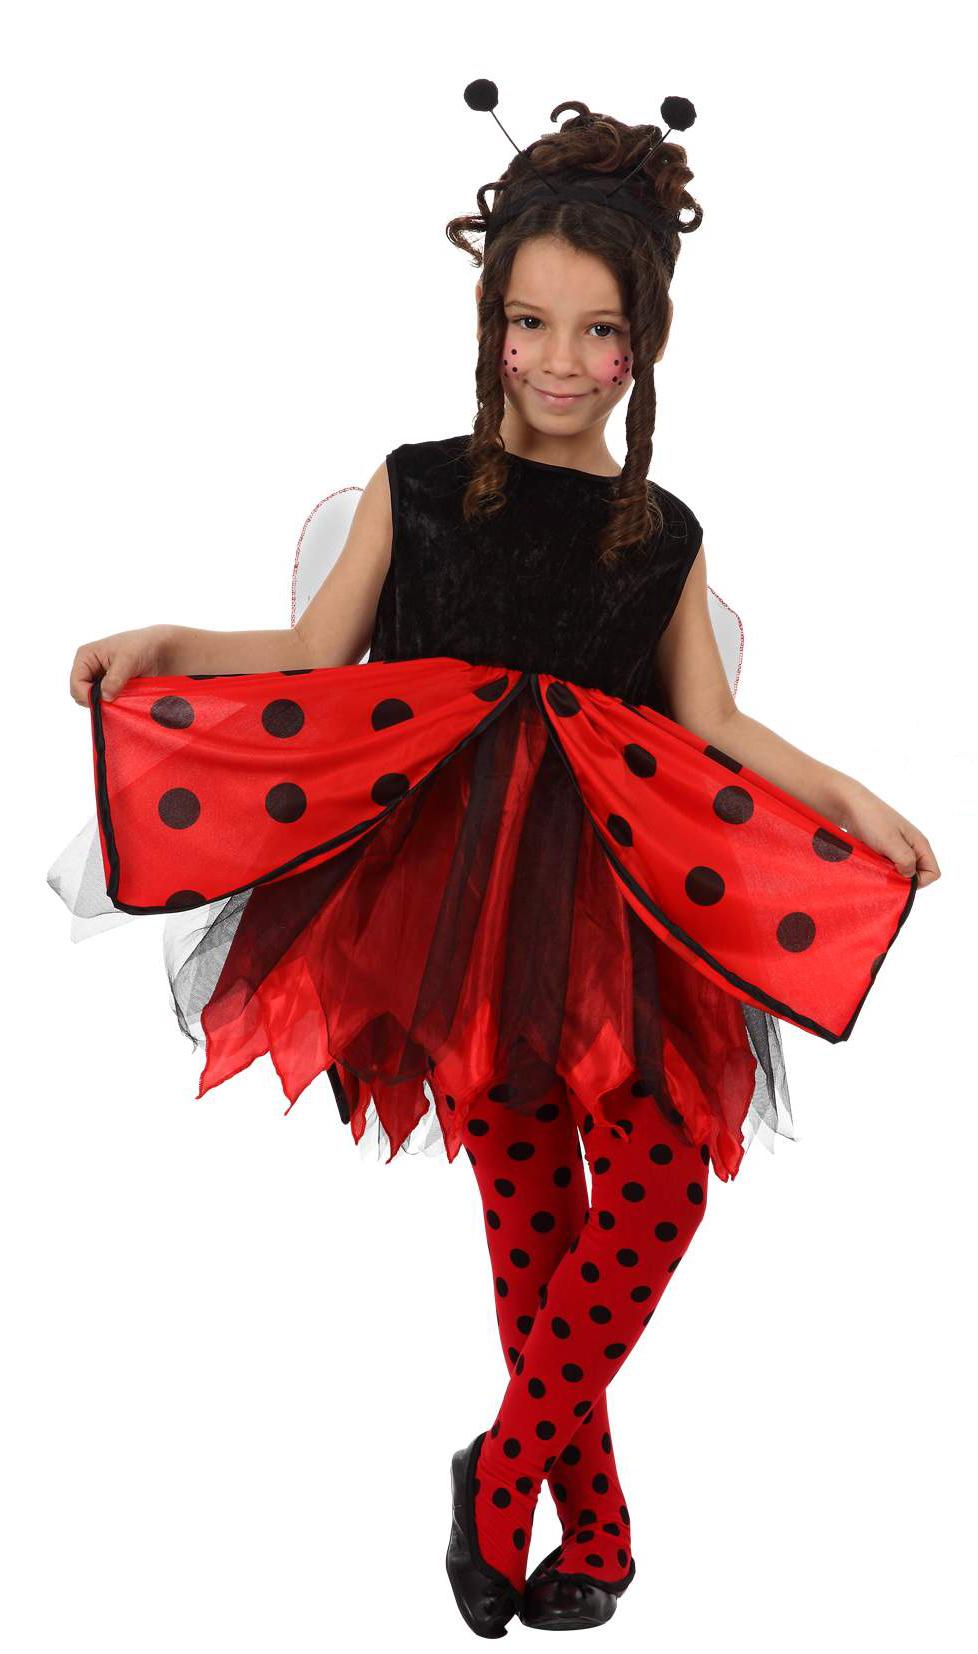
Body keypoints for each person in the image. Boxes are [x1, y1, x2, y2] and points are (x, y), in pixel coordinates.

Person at [50, 87, 939, 1636]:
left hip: (621, 907)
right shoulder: (413, 485)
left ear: (644, 346)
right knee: (532, 1222)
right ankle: (593, 1526)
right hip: (447, 908)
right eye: (529, 323)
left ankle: (502, 1467)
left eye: (598, 333)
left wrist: (848, 797)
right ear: (489, 323)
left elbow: (712, 722)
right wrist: (169, 640)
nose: (559, 363)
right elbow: (312, 652)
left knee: (655, 1187)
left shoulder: (659, 532)